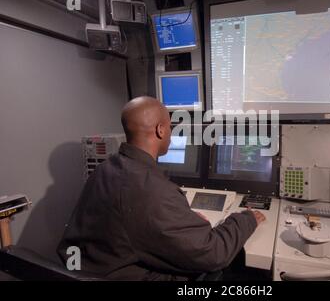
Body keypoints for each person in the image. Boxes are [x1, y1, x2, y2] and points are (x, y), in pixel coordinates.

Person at [57, 96, 265, 280]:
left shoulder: (106, 168)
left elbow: (135, 218)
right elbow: (213, 254)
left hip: (93, 269)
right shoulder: (153, 191)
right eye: (170, 126)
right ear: (160, 130)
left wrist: (182, 220)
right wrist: (245, 219)